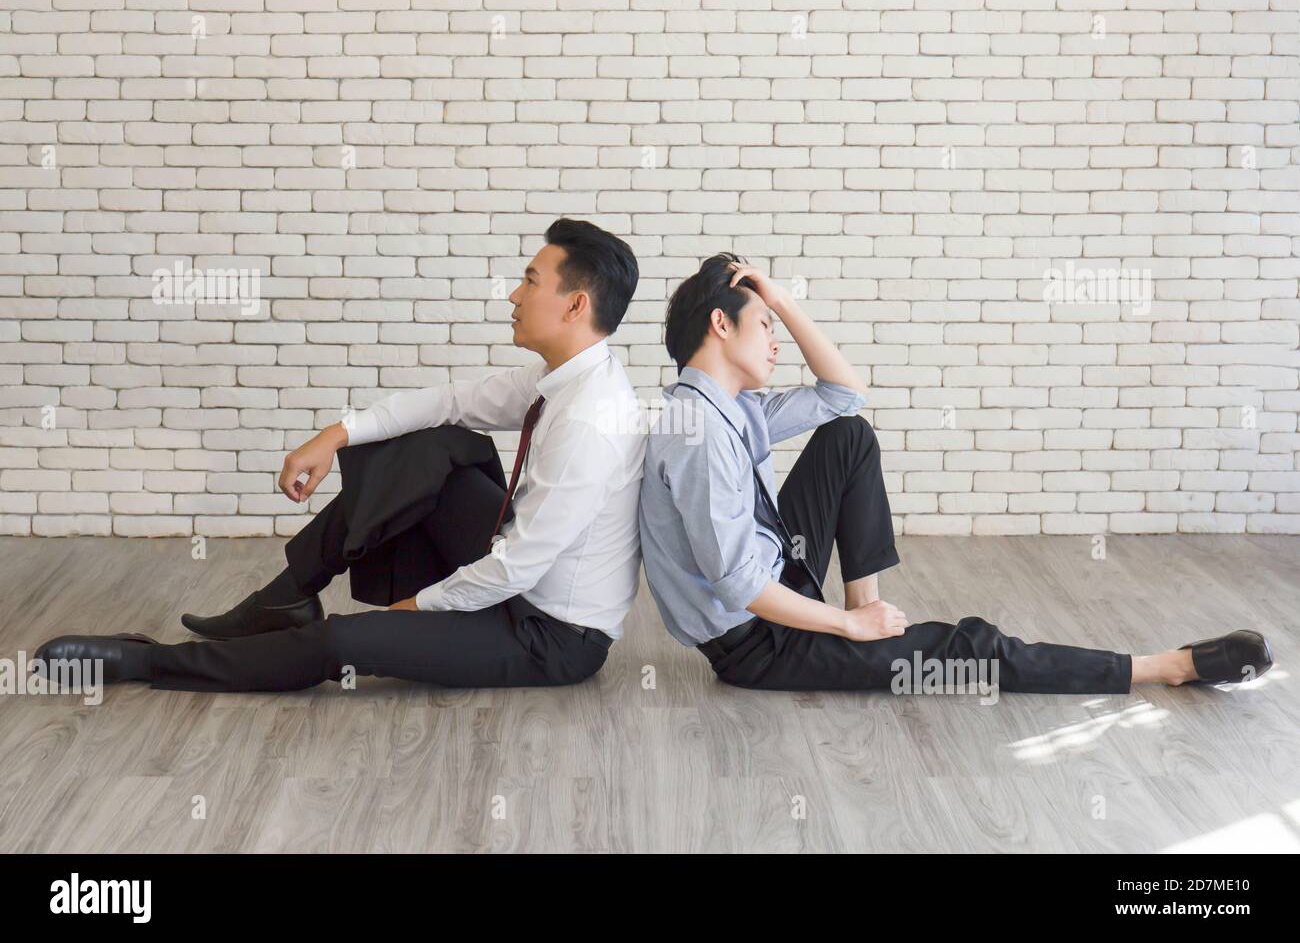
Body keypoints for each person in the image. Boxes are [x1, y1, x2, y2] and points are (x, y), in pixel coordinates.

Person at [36, 219, 647, 693]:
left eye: (531, 281)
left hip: (549, 633)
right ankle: (288, 595)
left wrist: (415, 611)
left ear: (574, 305)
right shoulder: (563, 377)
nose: (514, 294)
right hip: (520, 580)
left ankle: (148, 660)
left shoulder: (590, 420)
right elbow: (450, 402)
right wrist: (333, 435)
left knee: (341, 646)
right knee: (431, 445)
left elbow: (519, 568)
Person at [637, 253, 1274, 694]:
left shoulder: (730, 409)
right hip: (757, 641)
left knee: (847, 437)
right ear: (721, 325)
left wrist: (782, 299)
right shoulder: (694, 434)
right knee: (968, 650)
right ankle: (1165, 667)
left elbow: (844, 398)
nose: (777, 341)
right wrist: (846, 628)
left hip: (780, 577)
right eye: (766, 326)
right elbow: (738, 584)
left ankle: (870, 612)